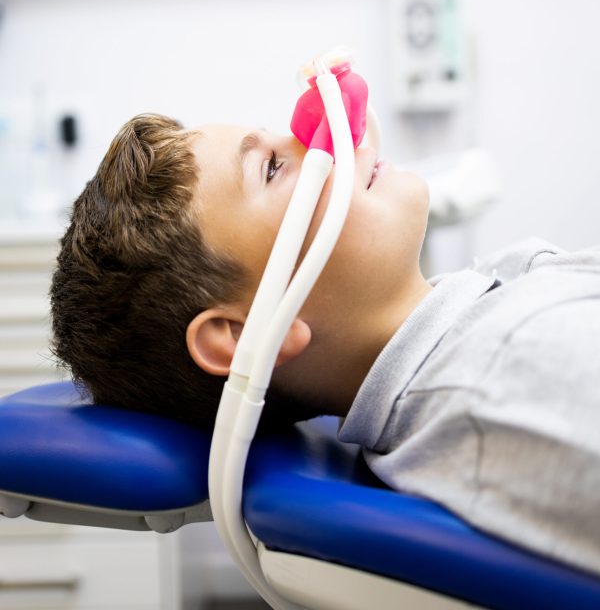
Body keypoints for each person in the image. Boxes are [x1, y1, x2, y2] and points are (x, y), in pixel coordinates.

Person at [50, 112, 600, 577]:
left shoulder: (489, 316)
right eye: (271, 168)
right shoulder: (507, 378)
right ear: (245, 336)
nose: (319, 142)